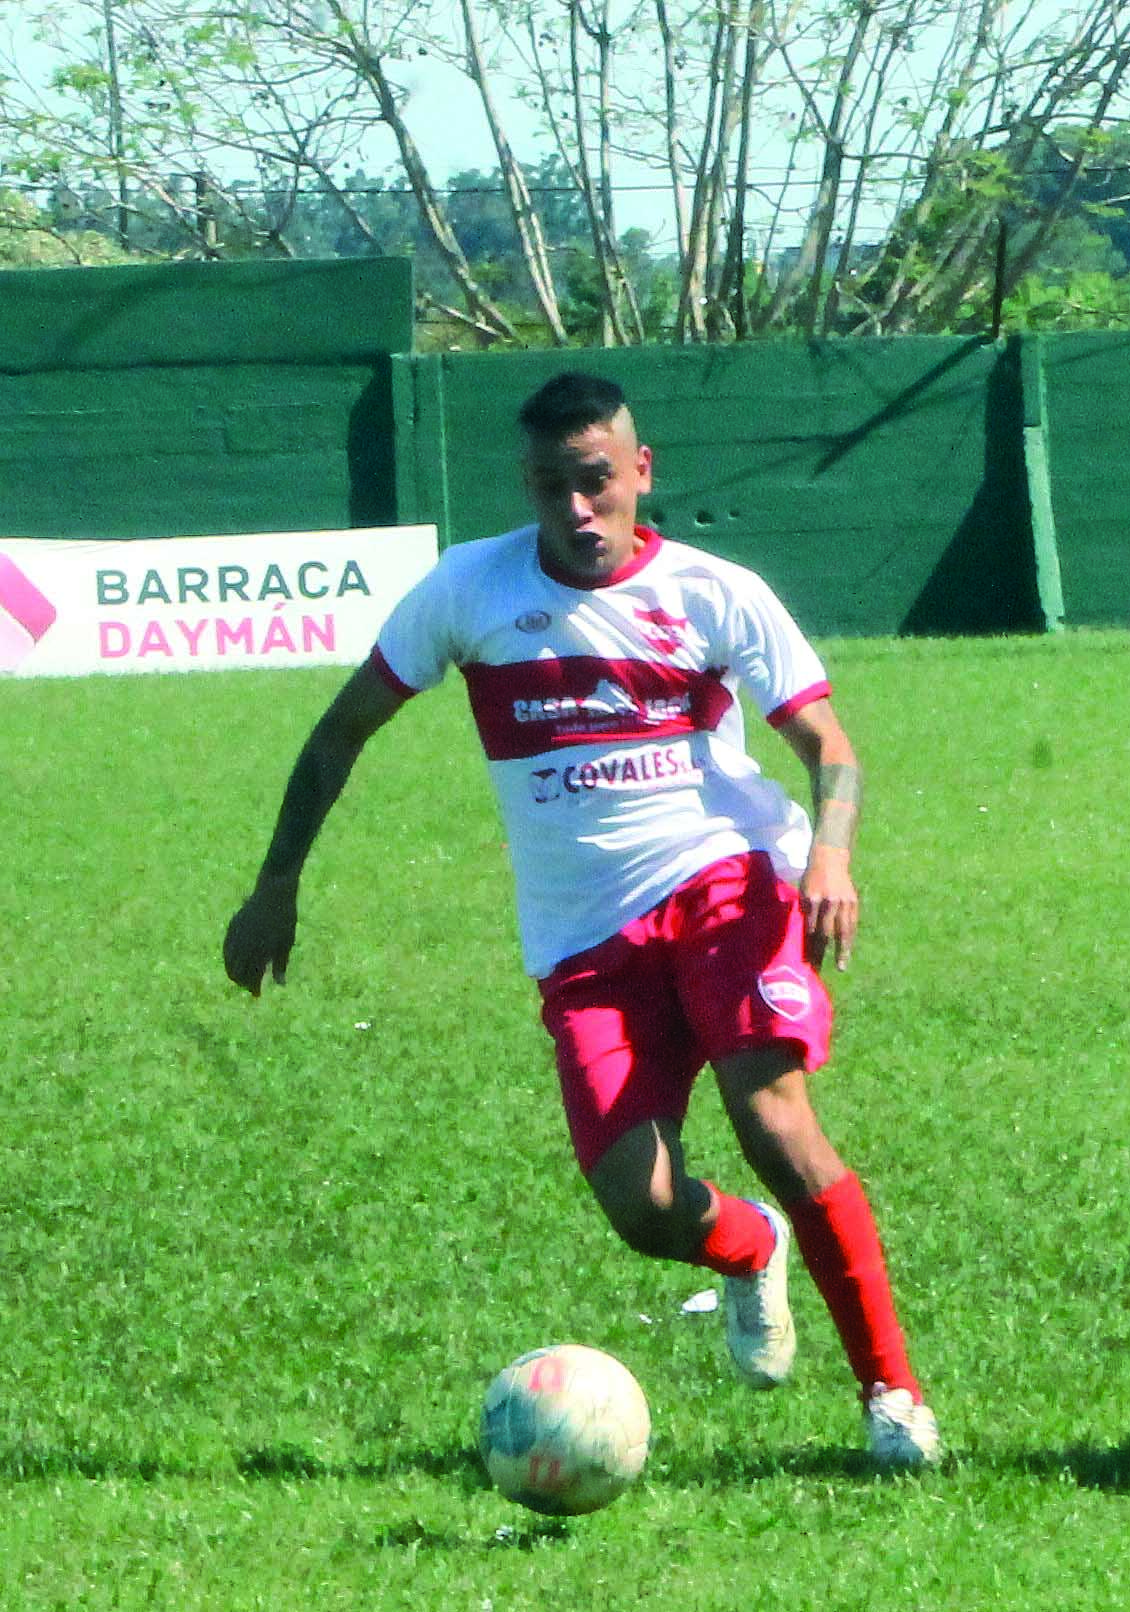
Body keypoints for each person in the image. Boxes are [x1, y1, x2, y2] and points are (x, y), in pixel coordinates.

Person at [223, 370, 940, 1470]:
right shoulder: (470, 590)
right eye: (551, 485)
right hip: (583, 940)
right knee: (641, 1207)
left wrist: (831, 854)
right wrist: (276, 883)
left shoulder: (713, 591)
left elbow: (828, 748)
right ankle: (749, 1247)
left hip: (725, 880)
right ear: (526, 483)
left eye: (596, 480)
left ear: (640, 471)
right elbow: (340, 732)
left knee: (773, 1119)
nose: (576, 507)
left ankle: (892, 1397)